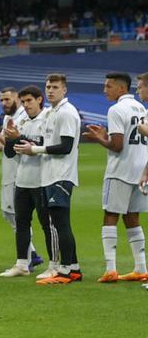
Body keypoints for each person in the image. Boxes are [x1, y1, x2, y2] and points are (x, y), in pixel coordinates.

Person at [16, 73, 82, 285]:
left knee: (60, 223)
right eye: (48, 87)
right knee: (59, 223)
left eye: (55, 87)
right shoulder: (53, 112)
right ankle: (73, 268)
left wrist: (34, 149)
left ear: (64, 90)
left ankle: (63, 272)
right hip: (50, 175)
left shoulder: (66, 113)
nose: (50, 90)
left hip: (60, 175)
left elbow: (66, 146)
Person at [83, 72, 147, 282]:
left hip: (120, 169)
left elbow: (117, 146)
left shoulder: (116, 109)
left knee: (110, 215)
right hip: (141, 170)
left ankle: (111, 268)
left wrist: (99, 138)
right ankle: (140, 267)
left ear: (121, 89)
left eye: (108, 86)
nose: (104, 90)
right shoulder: (142, 109)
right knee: (132, 217)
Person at [0, 87, 43, 269]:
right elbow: (8, 146)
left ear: (17, 99)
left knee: (17, 216)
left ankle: (28, 257)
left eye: (7, 99)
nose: (4, 103)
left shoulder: (22, 117)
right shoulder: (11, 118)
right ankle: (31, 254)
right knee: (10, 214)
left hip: (19, 172)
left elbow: (17, 143)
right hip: (10, 170)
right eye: (1, 100)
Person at [1, 86, 53, 277]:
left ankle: (54, 264)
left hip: (42, 179)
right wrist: (9, 139)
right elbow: (9, 153)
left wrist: (19, 137)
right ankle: (22, 264)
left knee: (46, 224)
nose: (26, 105)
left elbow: (47, 147)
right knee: (21, 222)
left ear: (39, 100)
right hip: (22, 179)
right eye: (23, 102)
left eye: (29, 100)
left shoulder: (47, 119)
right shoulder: (20, 120)